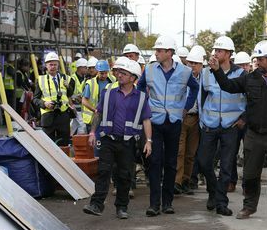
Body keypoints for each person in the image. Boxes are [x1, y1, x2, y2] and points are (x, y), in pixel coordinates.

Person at [208, 40, 267, 228]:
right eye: (256, 59)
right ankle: (249, 206)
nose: (257, 62)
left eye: (261, 59)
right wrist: (217, 70)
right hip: (253, 134)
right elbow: (228, 86)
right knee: (250, 174)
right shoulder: (251, 78)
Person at [137, 35, 199, 217]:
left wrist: (186, 107)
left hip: (174, 123)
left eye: (159, 50)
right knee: (155, 162)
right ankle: (154, 204)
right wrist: (146, 104)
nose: (156, 53)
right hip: (155, 122)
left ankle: (168, 202)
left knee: (171, 163)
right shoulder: (149, 70)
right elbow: (140, 88)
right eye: (156, 50)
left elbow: (194, 88)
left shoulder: (185, 71)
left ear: (169, 53)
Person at [83, 60, 152, 219]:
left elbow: (146, 119)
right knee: (103, 171)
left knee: (124, 175)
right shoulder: (108, 94)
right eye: (118, 72)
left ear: (133, 77)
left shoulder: (141, 98)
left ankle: (122, 207)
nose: (119, 75)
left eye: (124, 73)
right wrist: (93, 132)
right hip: (108, 139)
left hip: (128, 142)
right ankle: (96, 204)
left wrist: (149, 141)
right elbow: (98, 113)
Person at [198, 36, 247, 216]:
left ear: (228, 54)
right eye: (215, 50)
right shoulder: (206, 72)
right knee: (203, 162)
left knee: (226, 165)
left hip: (230, 126)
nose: (216, 53)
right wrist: (202, 120)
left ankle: (221, 202)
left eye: (219, 51)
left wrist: (244, 118)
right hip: (210, 125)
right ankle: (213, 191)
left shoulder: (241, 74)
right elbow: (201, 96)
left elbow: (250, 98)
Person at [174, 47, 204, 196]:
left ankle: (186, 181)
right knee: (180, 151)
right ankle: (177, 182)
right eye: (190, 62)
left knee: (191, 153)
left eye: (195, 63)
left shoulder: (206, 78)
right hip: (182, 118)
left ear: (201, 65)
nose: (192, 66)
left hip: (197, 119)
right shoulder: (182, 76)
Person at [32, 52, 71, 145]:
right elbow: (35, 99)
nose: (53, 67)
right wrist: (44, 104)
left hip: (63, 115)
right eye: (51, 65)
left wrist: (68, 87)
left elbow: (70, 94)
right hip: (48, 116)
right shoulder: (41, 80)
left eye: (55, 64)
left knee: (64, 144)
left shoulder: (65, 78)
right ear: (46, 65)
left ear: (58, 65)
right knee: (48, 145)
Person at [82, 60, 113, 133]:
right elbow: (84, 100)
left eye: (106, 73)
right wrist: (94, 110)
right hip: (93, 119)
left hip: (108, 118)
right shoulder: (90, 83)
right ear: (97, 71)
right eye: (102, 73)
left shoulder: (112, 81)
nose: (104, 75)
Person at [70, 57, 88, 135]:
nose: (87, 69)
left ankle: (67, 138)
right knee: (82, 124)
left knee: (75, 124)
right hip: (75, 105)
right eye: (85, 67)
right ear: (80, 68)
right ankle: (81, 143)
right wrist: (71, 105)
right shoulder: (72, 79)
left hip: (81, 106)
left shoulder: (84, 79)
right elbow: (68, 94)